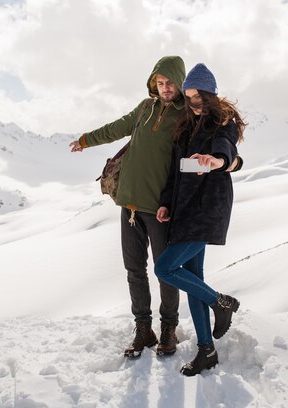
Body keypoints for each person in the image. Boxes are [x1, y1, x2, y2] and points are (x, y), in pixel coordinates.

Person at [69, 56, 187, 358]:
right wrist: (86, 140)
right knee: (134, 270)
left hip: (159, 209)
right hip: (130, 205)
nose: (165, 88)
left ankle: (168, 330)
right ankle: (143, 329)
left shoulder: (184, 116)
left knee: (166, 272)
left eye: (170, 82)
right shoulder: (144, 109)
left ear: (180, 82)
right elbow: (116, 128)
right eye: (160, 83)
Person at [154, 63, 247, 376]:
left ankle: (220, 302)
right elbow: (174, 170)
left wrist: (218, 161)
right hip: (183, 208)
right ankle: (206, 350)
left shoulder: (223, 121)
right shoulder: (185, 125)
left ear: (209, 96)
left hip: (207, 207)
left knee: (164, 268)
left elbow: (227, 149)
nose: (192, 103)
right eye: (189, 97)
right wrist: (166, 203)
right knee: (194, 279)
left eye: (197, 98)